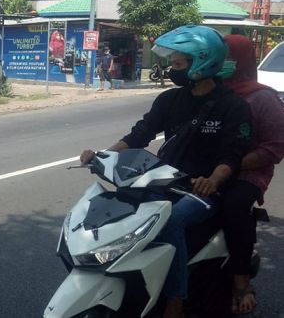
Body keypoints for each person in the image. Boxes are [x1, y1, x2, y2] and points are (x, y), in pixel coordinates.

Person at [79, 25, 251, 318]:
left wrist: (212, 180)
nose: (172, 68)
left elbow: (231, 156)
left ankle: (175, 300)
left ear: (202, 62)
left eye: (178, 63)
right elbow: (140, 134)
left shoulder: (232, 107)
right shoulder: (170, 100)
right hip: (161, 180)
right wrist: (103, 154)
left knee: (172, 221)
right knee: (117, 210)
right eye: (172, 62)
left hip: (201, 190)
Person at [219, 34, 284, 315]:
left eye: (226, 58)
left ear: (241, 61)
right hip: (206, 168)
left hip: (249, 173)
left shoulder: (263, 98)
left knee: (234, 207)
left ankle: (241, 281)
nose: (220, 63)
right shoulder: (210, 91)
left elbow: (275, 148)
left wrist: (232, 166)